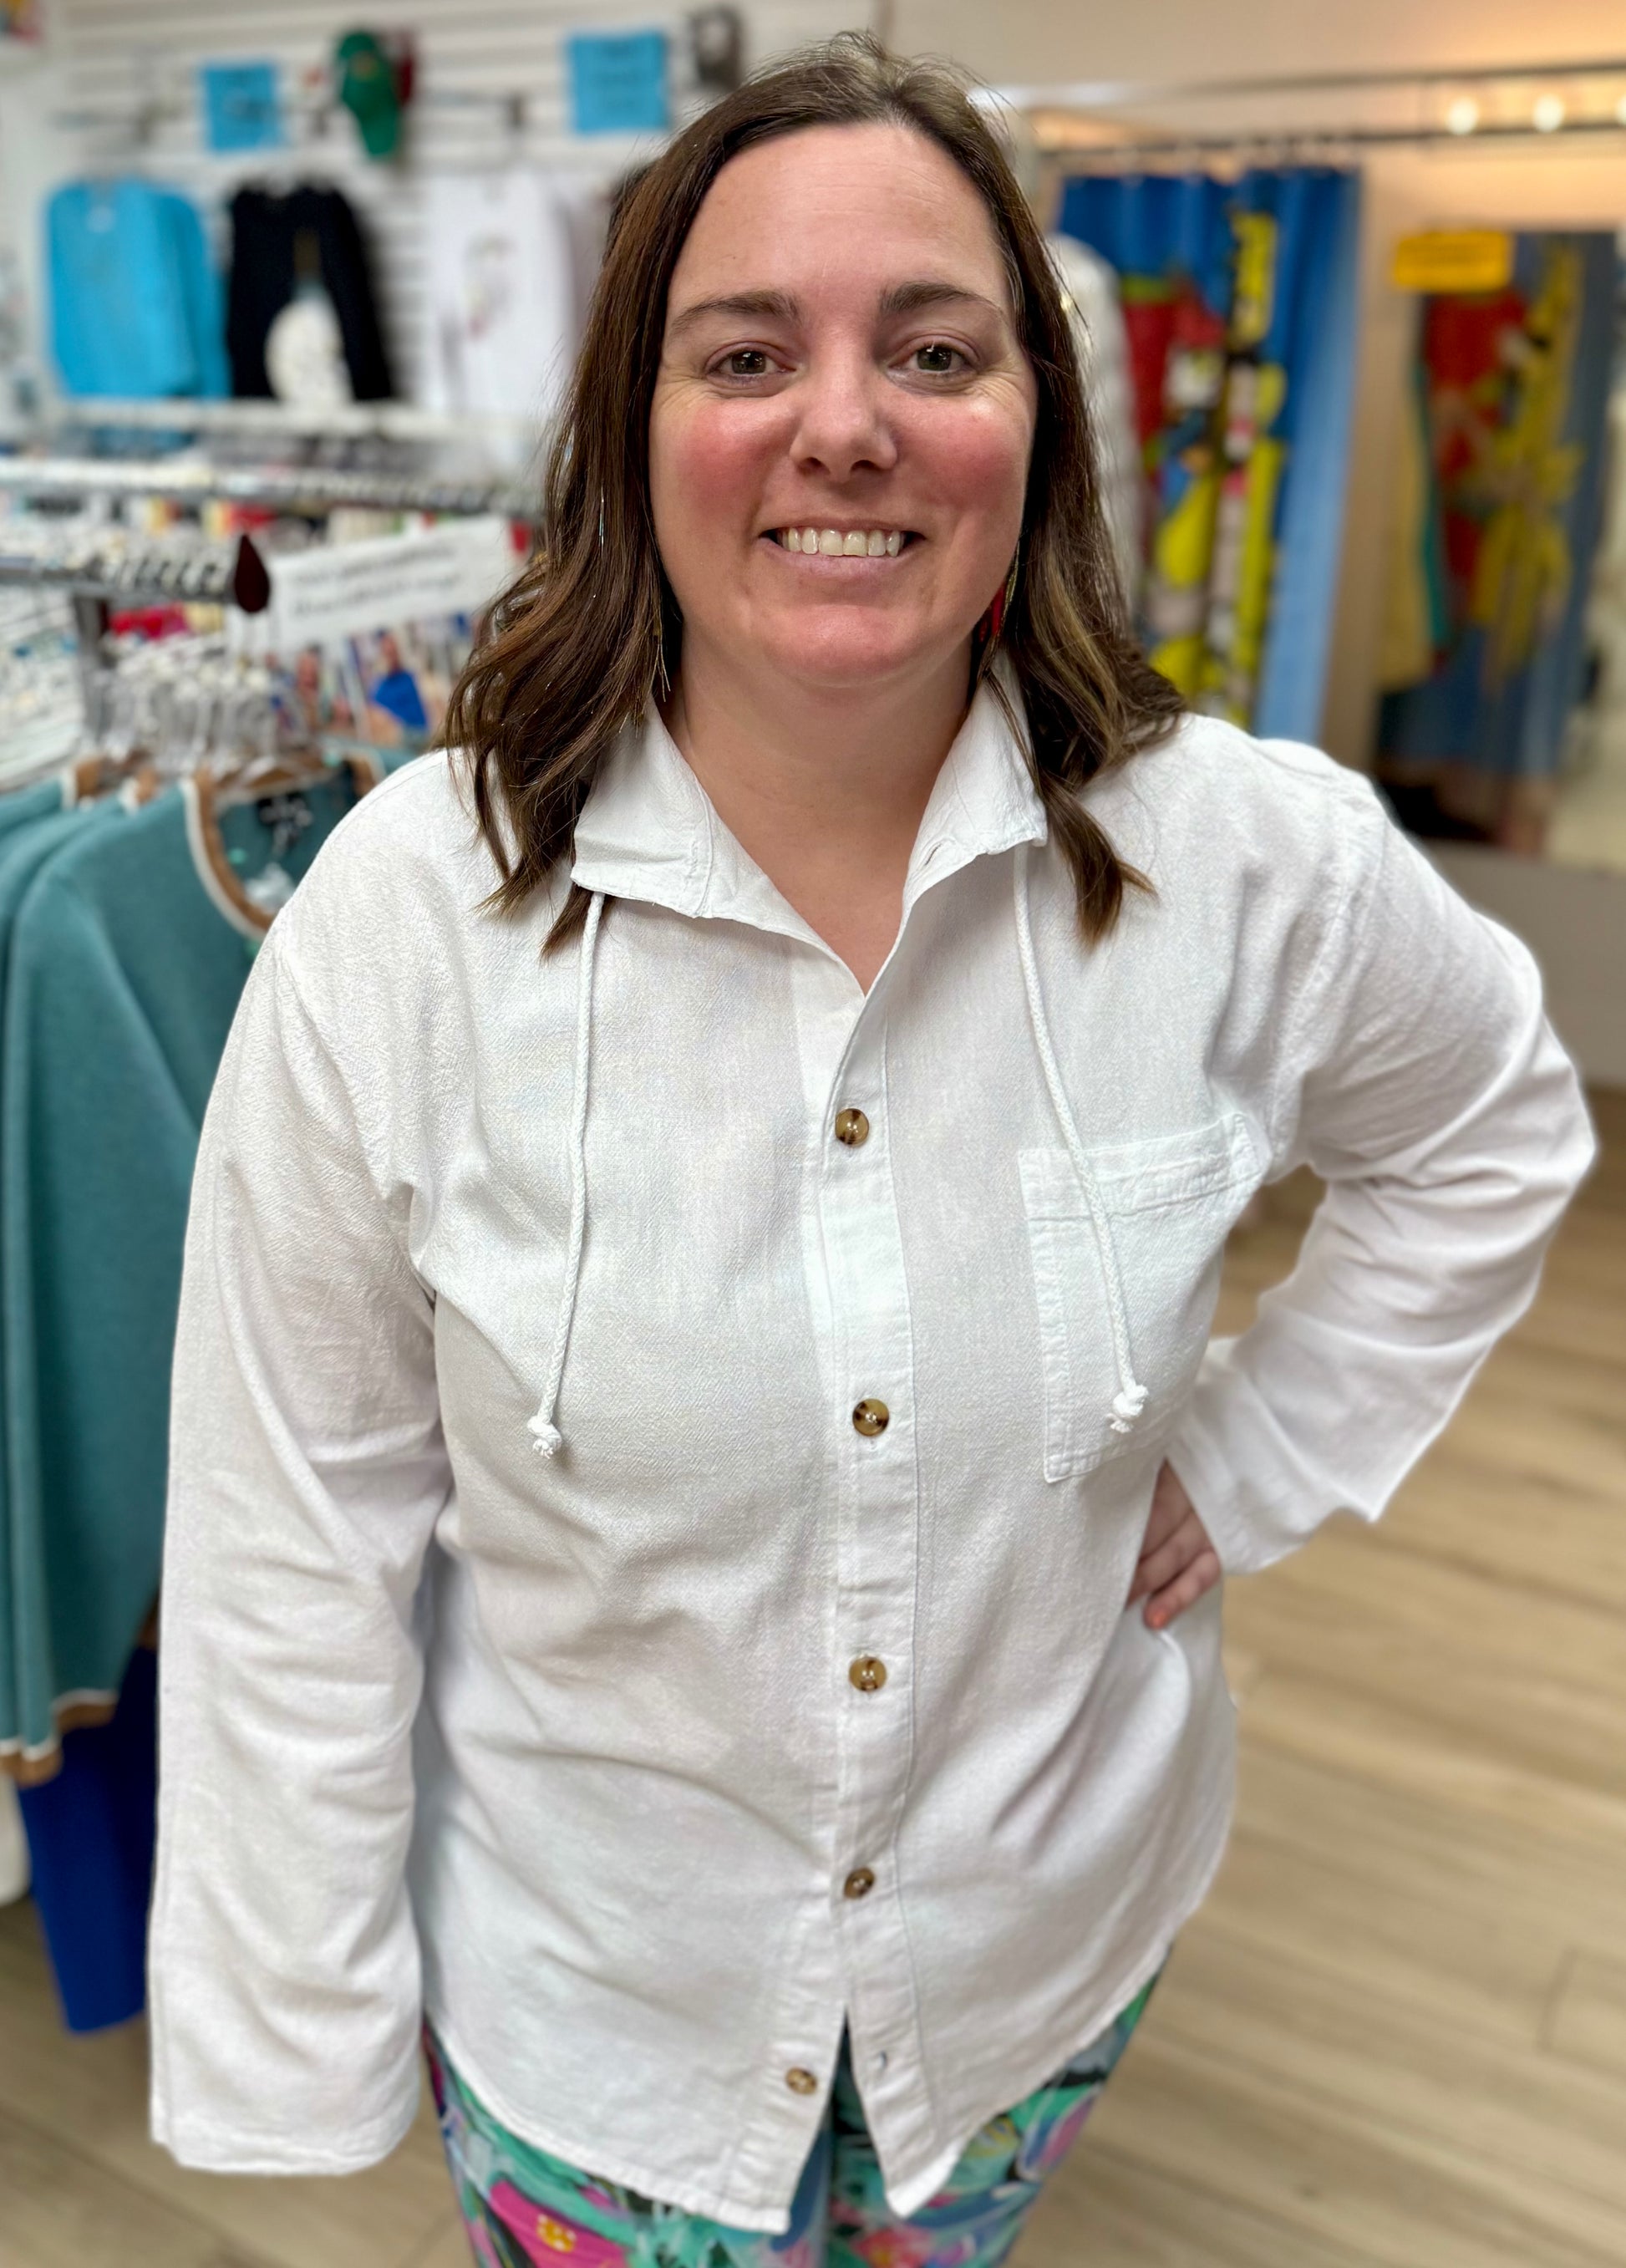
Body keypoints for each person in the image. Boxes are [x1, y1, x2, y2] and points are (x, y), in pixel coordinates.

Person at [148, 34, 1593, 2268]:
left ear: (1037, 422)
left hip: (1030, 1984)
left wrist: (1255, 1450)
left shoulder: (1235, 862)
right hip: (592, 2029)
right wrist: (300, 2045)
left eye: (932, 348)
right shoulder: (414, 920)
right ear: (634, 430)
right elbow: (291, 1525)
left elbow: (1488, 1125)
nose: (846, 423)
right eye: (748, 353)